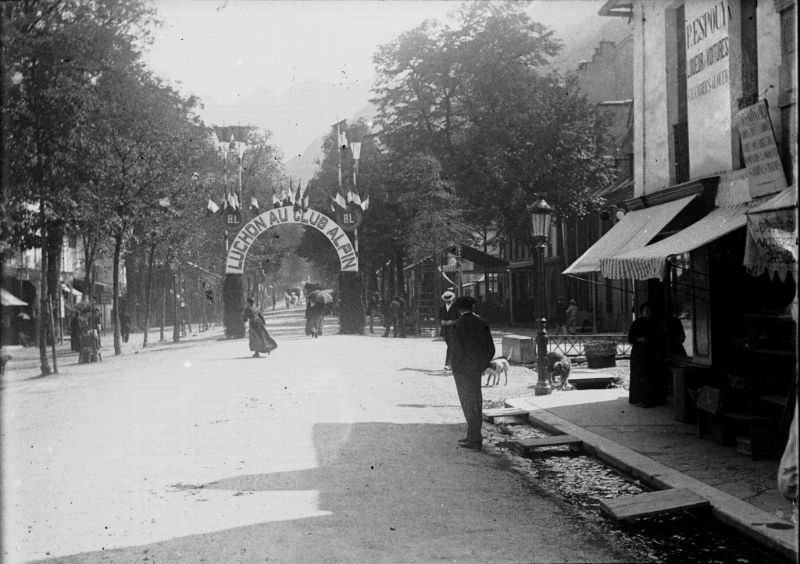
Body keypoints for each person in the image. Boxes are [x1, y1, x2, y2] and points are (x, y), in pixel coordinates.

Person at [450, 296, 495, 450]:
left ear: (458, 309)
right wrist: (482, 365)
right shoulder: (482, 323)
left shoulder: (457, 325)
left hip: (462, 370)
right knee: (476, 401)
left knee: (467, 403)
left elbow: (455, 351)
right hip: (476, 369)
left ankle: (474, 440)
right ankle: (472, 435)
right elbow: (490, 348)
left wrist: (455, 367)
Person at [627, 301, 667, 407]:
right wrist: (640, 339)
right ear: (642, 312)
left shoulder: (655, 323)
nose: (649, 312)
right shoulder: (637, 323)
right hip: (639, 354)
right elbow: (630, 339)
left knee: (651, 377)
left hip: (651, 354)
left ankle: (651, 400)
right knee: (640, 377)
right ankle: (640, 399)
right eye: (647, 310)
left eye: (650, 310)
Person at [438, 289, 459, 370]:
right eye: (446, 300)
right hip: (445, 330)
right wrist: (442, 321)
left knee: (451, 346)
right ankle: (453, 363)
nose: (448, 301)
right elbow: (439, 317)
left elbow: (460, 318)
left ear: (452, 299)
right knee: (451, 346)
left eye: (449, 300)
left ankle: (448, 363)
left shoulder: (456, 308)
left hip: (454, 329)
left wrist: (452, 322)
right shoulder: (442, 308)